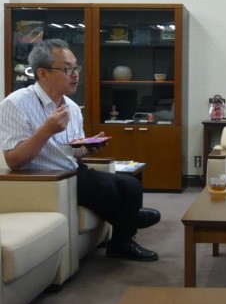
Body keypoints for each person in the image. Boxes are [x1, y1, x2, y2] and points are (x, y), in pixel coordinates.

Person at [0, 39, 161, 262]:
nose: (75, 74)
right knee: (107, 189)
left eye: (76, 67)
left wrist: (87, 148)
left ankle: (121, 241)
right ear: (42, 73)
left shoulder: (72, 107)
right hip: (46, 179)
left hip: (72, 171)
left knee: (131, 185)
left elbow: (71, 152)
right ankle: (129, 221)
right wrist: (46, 130)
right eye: (67, 69)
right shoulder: (16, 104)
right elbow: (13, 160)